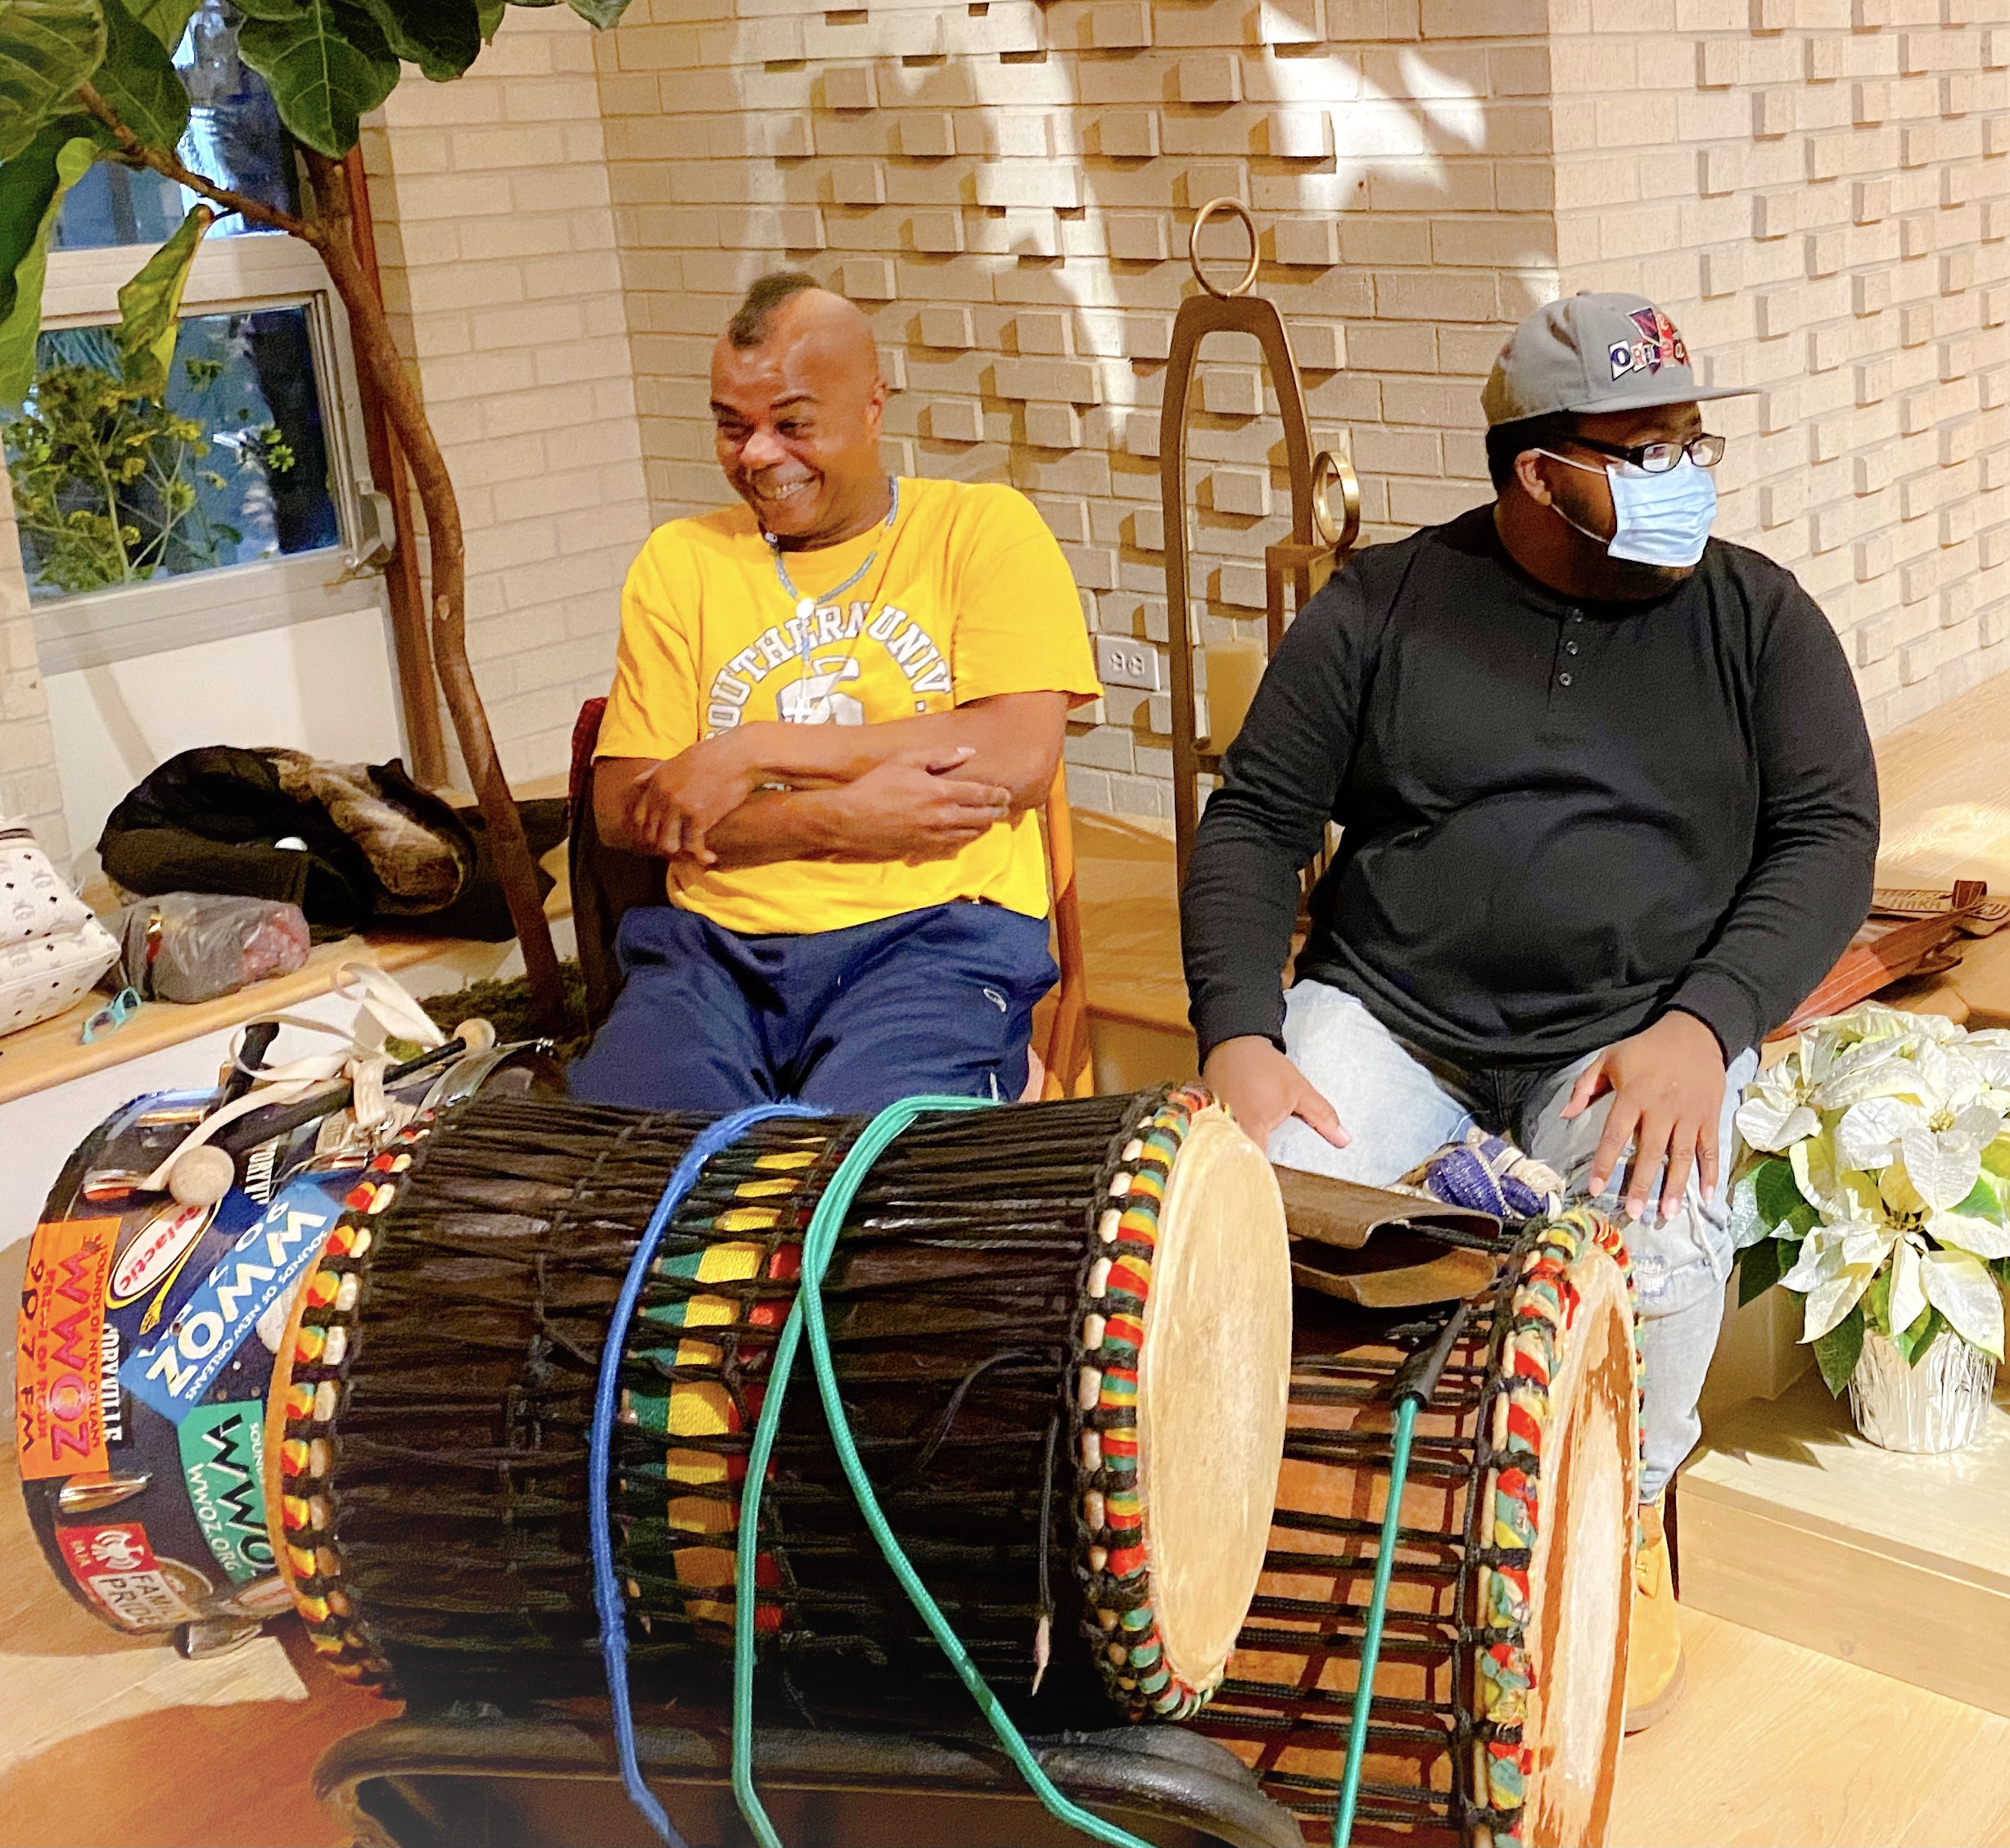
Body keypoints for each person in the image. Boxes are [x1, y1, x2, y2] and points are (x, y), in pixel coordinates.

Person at [1181, 292, 1881, 1730]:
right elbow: (1253, 818)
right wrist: (1240, 1035)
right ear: (1536, 470)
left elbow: (1829, 838)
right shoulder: (1382, 604)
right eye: (1642, 448)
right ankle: (1276, 1507)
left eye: (1689, 441)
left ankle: (1618, 1517)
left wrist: (1708, 1025)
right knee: (1249, 1186)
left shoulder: (1760, 619)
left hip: (1627, 1034)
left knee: (1663, 1207)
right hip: (1389, 1015)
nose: (1681, 473)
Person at [572, 273, 1103, 1112]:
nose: (757, 454)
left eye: (791, 424)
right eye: (732, 426)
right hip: (711, 954)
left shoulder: (982, 531)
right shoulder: (681, 561)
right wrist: (840, 819)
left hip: (931, 943)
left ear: (871, 408)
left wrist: (751, 753)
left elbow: (1013, 756)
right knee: (632, 1155)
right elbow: (626, 807)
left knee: (860, 1165)